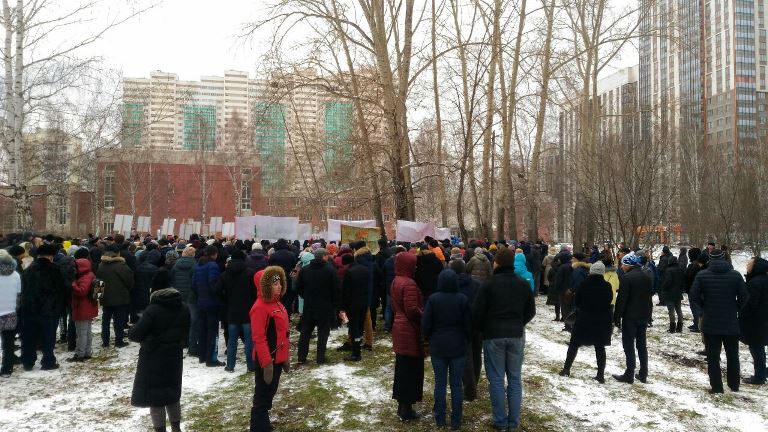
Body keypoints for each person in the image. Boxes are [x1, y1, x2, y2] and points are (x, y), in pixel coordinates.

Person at [472, 247, 535, 431]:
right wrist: (518, 323)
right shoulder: (523, 283)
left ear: (497, 263)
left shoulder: (489, 284)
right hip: (515, 334)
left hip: (494, 336)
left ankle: (501, 421)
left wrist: (483, 328)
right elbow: (530, 311)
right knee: (514, 379)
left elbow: (477, 312)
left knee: (497, 379)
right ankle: (512, 422)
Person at [129, 286, 191, 432]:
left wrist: (146, 338)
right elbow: (185, 334)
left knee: (155, 397)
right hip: (174, 357)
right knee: (172, 393)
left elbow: (135, 335)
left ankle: (160, 429)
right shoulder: (184, 308)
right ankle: (176, 427)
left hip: (153, 357)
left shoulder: (153, 310)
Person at [690, 248, 749, 393]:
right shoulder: (735, 276)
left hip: (710, 322)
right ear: (724, 258)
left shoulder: (702, 275)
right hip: (730, 322)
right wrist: (736, 309)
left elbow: (693, 296)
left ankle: (717, 387)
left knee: (713, 356)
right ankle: (734, 385)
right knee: (733, 355)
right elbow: (745, 298)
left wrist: (700, 312)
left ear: (710, 259)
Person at [422, 269, 472, 430]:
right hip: (458, 345)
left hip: (438, 345)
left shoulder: (433, 299)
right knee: (456, 384)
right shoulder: (462, 299)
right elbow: (468, 325)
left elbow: (426, 324)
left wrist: (429, 338)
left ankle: (440, 417)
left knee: (440, 383)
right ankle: (456, 419)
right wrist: (466, 339)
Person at [249, 266, 291, 432]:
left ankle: (262, 424)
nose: (279, 286)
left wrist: (285, 356)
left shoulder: (278, 303)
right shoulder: (260, 307)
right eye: (274, 284)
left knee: (269, 393)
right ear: (265, 286)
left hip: (277, 357)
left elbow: (283, 334)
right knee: (262, 396)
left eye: (280, 282)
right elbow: (259, 338)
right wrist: (267, 363)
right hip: (267, 359)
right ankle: (258, 427)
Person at [559, 262, 613, 383]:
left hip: (584, 320)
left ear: (592, 271)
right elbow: (609, 300)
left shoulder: (583, 285)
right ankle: (600, 375)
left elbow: (577, 302)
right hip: (602, 321)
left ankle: (566, 369)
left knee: (574, 345)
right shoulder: (607, 286)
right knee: (600, 348)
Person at [19, 243, 69, 371]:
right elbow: (64, 288)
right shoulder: (56, 269)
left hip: (29, 308)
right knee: (48, 336)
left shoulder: (28, 270)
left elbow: (22, 289)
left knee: (29, 335)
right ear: (51, 256)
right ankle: (48, 361)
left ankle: (28, 361)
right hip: (50, 309)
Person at [390, 251, 425, 421]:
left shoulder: (396, 280)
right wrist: (423, 315)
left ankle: (402, 405)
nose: (416, 266)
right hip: (409, 330)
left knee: (402, 368)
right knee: (410, 369)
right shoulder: (409, 283)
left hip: (399, 326)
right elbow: (411, 309)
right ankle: (406, 408)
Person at [612, 252, 653, 384]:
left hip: (630, 316)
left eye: (623, 264)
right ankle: (643, 373)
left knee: (628, 344)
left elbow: (622, 300)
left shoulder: (626, 278)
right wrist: (648, 316)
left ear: (628, 264)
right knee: (642, 345)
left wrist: (616, 318)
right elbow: (648, 298)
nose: (622, 267)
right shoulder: (646, 276)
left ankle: (629, 373)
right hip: (643, 315)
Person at [296, 248, 340, 365]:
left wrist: (306, 296)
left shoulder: (305, 270)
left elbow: (298, 287)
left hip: (309, 306)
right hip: (325, 307)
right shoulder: (330, 270)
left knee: (305, 332)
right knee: (323, 333)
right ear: (324, 257)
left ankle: (301, 357)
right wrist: (334, 304)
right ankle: (320, 358)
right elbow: (336, 289)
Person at [217, 249, 257, 372]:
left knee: (232, 340)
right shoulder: (250, 273)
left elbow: (217, 290)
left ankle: (230, 366)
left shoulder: (225, 274)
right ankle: (251, 365)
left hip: (232, 310)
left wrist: (226, 300)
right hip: (248, 310)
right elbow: (256, 291)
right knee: (249, 339)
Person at [193, 245, 223, 367]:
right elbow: (213, 284)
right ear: (214, 254)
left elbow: (193, 284)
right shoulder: (213, 266)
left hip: (200, 301)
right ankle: (211, 358)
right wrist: (219, 294)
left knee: (202, 328)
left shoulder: (198, 265)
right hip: (212, 303)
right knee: (212, 330)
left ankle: (202, 355)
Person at [740, 257, 768, 385]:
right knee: (759, 347)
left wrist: (741, 314)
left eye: (749, 264)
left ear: (755, 266)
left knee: (756, 348)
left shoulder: (755, 283)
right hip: (763, 319)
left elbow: (750, 303)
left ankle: (760, 376)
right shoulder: (763, 279)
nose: (747, 266)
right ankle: (763, 372)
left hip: (756, 321)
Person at [97, 251, 133, 348]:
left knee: (105, 320)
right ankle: (119, 341)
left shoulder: (101, 266)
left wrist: (99, 297)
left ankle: (105, 341)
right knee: (119, 320)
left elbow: (98, 282)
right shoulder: (122, 266)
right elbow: (130, 280)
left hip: (106, 297)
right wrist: (126, 290)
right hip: (120, 297)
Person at [341, 248, 372, 361]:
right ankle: (357, 347)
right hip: (364, 302)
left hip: (353, 305)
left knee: (354, 329)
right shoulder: (364, 269)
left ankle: (356, 353)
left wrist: (342, 307)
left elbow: (346, 292)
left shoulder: (349, 272)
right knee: (359, 328)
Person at [68, 257, 98, 362]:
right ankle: (87, 352)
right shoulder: (90, 274)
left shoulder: (85, 277)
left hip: (82, 308)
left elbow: (82, 291)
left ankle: (80, 354)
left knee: (81, 333)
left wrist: (73, 284)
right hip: (89, 307)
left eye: (76, 267)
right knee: (87, 332)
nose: (74, 269)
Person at [171, 246, 196, 354]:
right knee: (191, 320)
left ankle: (180, 341)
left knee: (179, 319)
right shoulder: (195, 265)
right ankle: (190, 342)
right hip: (190, 296)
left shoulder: (176, 265)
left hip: (178, 294)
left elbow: (171, 279)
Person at [0, 250, 21, 376]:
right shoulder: (16, 275)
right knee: (8, 343)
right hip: (10, 312)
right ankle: (7, 368)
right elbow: (18, 295)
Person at [132, 249, 161, 324]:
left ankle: (136, 324)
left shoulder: (136, 267)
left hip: (137, 292)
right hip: (149, 292)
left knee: (137, 310)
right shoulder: (154, 268)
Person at [660, 256, 685, 333]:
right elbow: (683, 281)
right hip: (678, 293)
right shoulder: (681, 270)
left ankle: (672, 327)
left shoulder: (668, 270)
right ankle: (680, 327)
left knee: (671, 311)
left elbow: (668, 281)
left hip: (669, 293)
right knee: (679, 310)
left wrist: (663, 287)